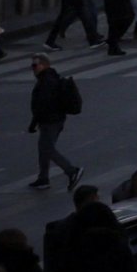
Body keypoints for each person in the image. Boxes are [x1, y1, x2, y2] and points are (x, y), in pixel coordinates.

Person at [25, 55, 82, 191]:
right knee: (44, 149)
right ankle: (43, 178)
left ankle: (72, 171)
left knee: (47, 149)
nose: (33, 69)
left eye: (35, 65)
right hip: (53, 119)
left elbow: (42, 104)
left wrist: (33, 123)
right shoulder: (48, 78)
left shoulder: (46, 81)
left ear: (43, 65)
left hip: (50, 121)